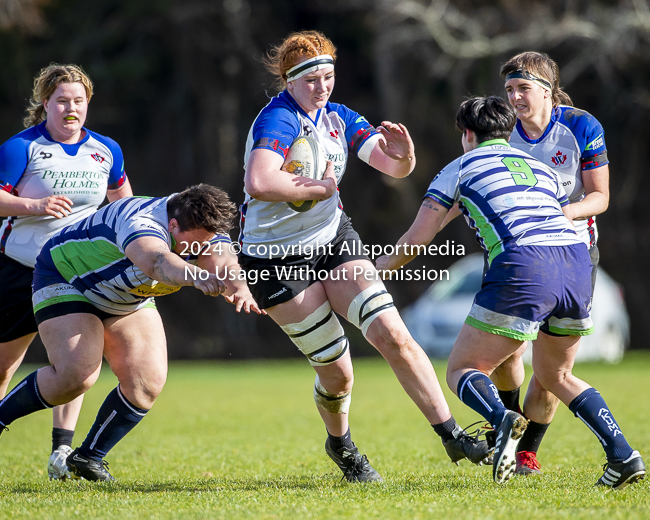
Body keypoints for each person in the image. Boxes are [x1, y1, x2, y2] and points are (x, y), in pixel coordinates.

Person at [238, 30, 491, 483]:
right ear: (289, 82)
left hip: (333, 240)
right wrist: (317, 188)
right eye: (311, 79)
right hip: (275, 262)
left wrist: (406, 156)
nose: (322, 86)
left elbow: (390, 165)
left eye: (328, 76)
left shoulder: (338, 117)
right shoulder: (278, 120)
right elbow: (259, 181)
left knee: (394, 334)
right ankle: (342, 444)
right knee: (339, 375)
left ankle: (453, 435)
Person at [376, 96, 645, 488]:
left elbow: (418, 238)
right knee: (558, 375)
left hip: (524, 263)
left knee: (462, 370)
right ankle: (623, 455)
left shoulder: (460, 168)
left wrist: (377, 270)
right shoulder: (541, 169)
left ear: (467, 135)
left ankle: (502, 419)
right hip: (577, 262)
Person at [0, 184, 263, 481]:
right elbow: (158, 262)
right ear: (173, 225)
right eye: (196, 245)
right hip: (68, 278)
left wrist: (240, 289)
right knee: (76, 375)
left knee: (146, 382)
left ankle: (88, 458)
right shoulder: (141, 223)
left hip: (125, 295)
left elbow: (225, 261)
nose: (201, 249)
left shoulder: (205, 225)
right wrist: (196, 275)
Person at [0, 64, 133, 480]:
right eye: (62, 101)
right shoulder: (21, 148)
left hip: (75, 273)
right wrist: (33, 206)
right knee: (5, 364)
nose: (70, 108)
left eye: (78, 101)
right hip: (20, 270)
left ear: (88, 103)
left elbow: (122, 202)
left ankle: (62, 452)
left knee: (78, 361)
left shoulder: (106, 150)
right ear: (46, 104)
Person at [488, 51, 611, 476]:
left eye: (522, 88)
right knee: (506, 351)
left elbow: (600, 197)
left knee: (552, 369)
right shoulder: (502, 132)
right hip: (518, 255)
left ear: (547, 90)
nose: (514, 97)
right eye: (509, 90)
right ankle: (506, 425)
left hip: (574, 254)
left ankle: (526, 452)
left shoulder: (580, 126)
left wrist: (560, 214)